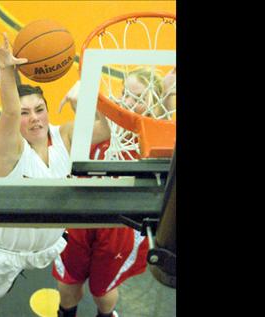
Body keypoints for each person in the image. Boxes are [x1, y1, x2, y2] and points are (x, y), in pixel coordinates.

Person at [0, 33, 111, 308]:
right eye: (25, 113)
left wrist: (87, 98)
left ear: (48, 110)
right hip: (2, 251)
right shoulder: (10, 151)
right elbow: (8, 112)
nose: (34, 118)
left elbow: (103, 130)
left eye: (39, 109)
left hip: (46, 243)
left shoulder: (64, 136)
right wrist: (6, 71)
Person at [53, 66, 176, 317]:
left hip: (121, 223)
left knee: (102, 292)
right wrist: (82, 101)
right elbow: (78, 131)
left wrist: (168, 94)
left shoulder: (154, 136)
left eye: (138, 97)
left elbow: (168, 117)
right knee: (67, 286)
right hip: (79, 211)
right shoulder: (106, 124)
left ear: (153, 104)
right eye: (125, 94)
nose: (127, 102)